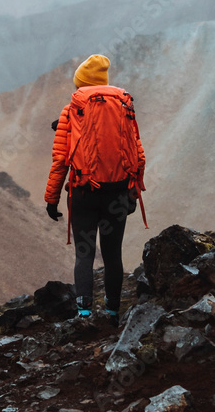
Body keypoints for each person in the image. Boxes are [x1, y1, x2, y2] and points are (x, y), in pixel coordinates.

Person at [44, 53, 146, 325]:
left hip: (84, 194)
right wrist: (133, 192)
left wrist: (51, 200)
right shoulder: (123, 105)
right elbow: (139, 155)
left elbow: (60, 162)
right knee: (113, 256)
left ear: (81, 84)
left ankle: (85, 315)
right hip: (117, 193)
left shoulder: (71, 110)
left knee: (84, 255)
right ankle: (113, 313)